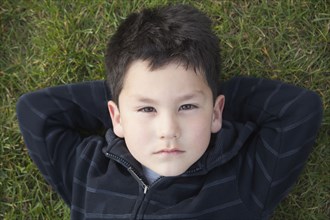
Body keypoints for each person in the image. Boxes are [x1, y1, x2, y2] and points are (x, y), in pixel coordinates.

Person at [16, 4, 322, 220]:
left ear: (217, 113)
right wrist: (129, 93)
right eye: (147, 108)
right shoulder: (87, 171)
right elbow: (37, 111)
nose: (168, 128)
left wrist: (209, 92)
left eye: (187, 106)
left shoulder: (243, 181)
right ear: (117, 117)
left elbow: (298, 109)